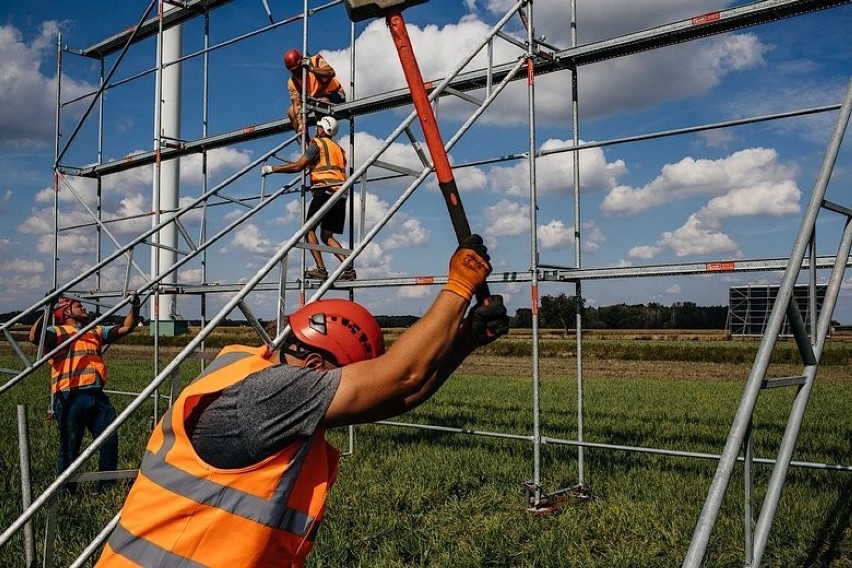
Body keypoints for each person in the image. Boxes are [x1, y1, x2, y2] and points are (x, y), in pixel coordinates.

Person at [95, 235, 509, 567]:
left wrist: (462, 342)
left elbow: (396, 396)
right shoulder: (268, 396)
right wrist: (458, 287)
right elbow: (400, 377)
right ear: (313, 363)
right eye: (345, 373)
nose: (350, 384)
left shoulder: (253, 372)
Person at [28, 294, 141, 484]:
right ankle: (66, 490)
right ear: (66, 312)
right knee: (71, 447)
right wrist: (48, 307)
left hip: (97, 395)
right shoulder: (57, 332)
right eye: (79, 306)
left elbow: (126, 327)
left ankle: (107, 486)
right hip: (70, 396)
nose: (85, 309)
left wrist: (135, 306)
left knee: (109, 441)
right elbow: (34, 336)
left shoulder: (94, 331)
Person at [262, 115, 355, 281]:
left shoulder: (318, 144)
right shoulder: (338, 149)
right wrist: (303, 136)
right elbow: (318, 159)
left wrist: (272, 169)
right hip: (341, 193)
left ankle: (321, 269)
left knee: (308, 230)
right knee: (327, 236)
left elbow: (298, 166)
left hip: (325, 189)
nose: (316, 130)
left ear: (322, 129)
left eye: (317, 127)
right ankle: (348, 269)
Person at [284, 48, 346, 135]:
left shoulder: (315, 61)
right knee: (291, 111)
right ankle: (305, 144)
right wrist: (301, 125)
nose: (296, 72)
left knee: (321, 102)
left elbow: (331, 72)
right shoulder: (292, 82)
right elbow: (297, 106)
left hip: (335, 95)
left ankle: (320, 138)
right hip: (314, 100)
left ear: (302, 62)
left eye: (297, 69)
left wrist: (312, 69)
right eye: (293, 71)